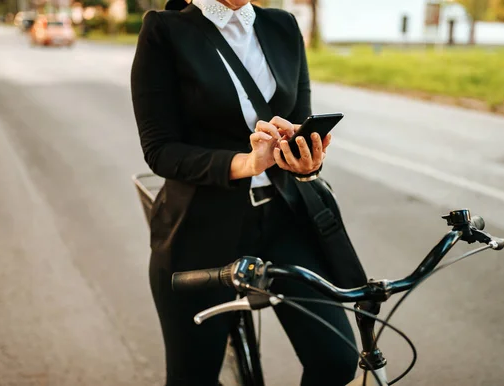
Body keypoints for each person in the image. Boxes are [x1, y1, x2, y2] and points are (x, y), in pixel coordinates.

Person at [130, 0, 359, 385]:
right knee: (194, 377)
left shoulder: (283, 25)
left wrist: (305, 160)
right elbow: (161, 151)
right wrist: (248, 164)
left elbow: (298, 119)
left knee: (336, 359)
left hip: (283, 219)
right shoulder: (165, 30)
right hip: (200, 228)